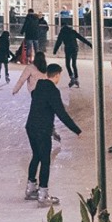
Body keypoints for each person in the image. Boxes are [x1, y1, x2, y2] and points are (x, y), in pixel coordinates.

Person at [24, 62, 80, 206]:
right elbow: (61, 113)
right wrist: (76, 130)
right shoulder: (53, 91)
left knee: (36, 155)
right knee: (45, 160)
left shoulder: (38, 87)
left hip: (31, 127)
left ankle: (30, 189)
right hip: (42, 129)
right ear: (57, 75)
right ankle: (43, 194)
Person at [53, 16, 90, 87]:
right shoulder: (72, 31)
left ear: (62, 26)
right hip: (75, 48)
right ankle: (76, 78)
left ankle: (72, 77)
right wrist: (90, 44)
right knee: (74, 64)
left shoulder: (62, 33)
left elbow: (58, 42)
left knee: (67, 64)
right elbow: (81, 38)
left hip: (68, 49)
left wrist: (55, 50)